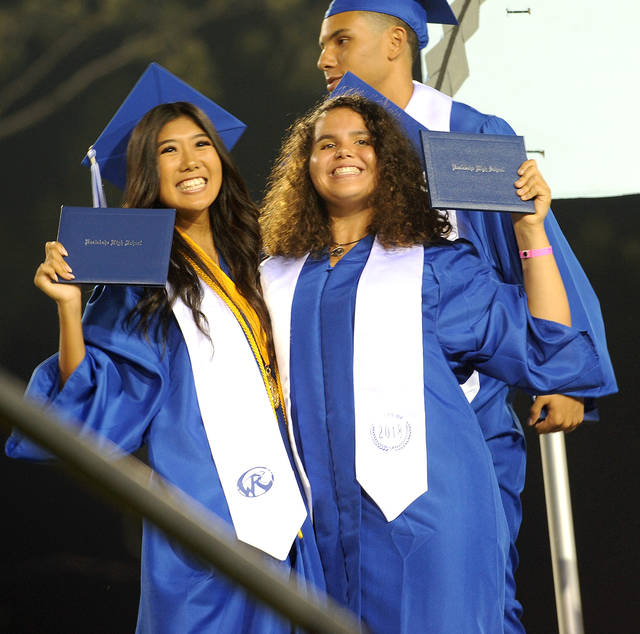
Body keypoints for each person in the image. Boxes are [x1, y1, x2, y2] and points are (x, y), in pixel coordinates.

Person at [315, 1, 617, 630]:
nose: (325, 60)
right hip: (355, 409)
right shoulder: (333, 144)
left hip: (469, 400)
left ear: (397, 41)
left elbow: (529, 249)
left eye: (340, 41)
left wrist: (559, 380)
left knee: (480, 587)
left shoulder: (466, 134)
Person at [6, 67, 324, 633]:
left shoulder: (266, 255)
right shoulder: (140, 279)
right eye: (167, 151)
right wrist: (69, 308)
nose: (190, 161)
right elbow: (94, 401)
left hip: (297, 514)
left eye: (201, 144)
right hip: (205, 520)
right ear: (144, 173)